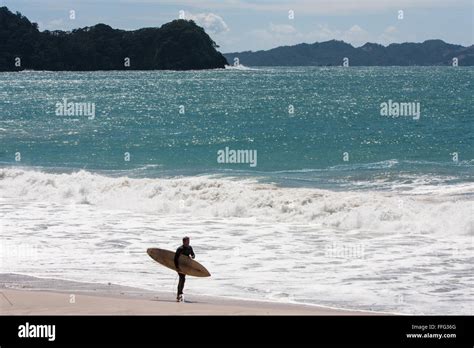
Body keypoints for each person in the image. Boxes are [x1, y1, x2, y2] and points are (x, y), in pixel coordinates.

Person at [174, 236, 195, 302]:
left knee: (182, 279)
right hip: (180, 266)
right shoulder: (180, 249)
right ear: (184, 242)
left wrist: (193, 256)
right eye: (187, 241)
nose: (189, 242)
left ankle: (179, 294)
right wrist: (177, 268)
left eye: (189, 241)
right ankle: (179, 293)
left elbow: (193, 254)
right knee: (182, 278)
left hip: (185, 266)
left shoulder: (190, 248)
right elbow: (175, 259)